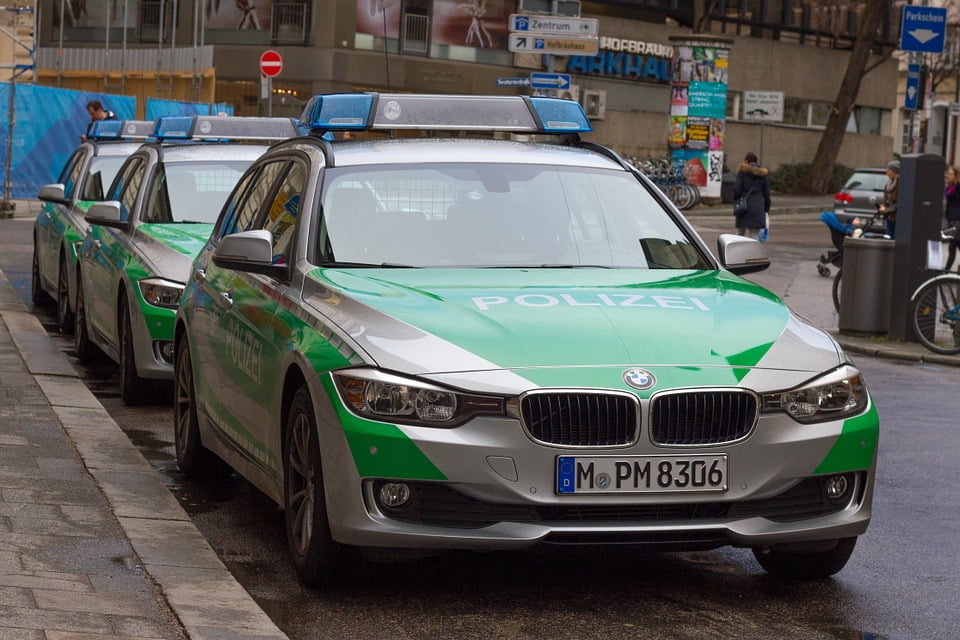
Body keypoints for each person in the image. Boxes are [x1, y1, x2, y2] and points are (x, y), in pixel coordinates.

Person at [732, 151, 771, 239]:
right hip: (757, 208)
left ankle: (739, 252)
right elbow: (767, 195)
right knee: (754, 236)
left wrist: (736, 200)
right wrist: (766, 211)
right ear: (756, 162)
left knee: (739, 236)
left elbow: (736, 190)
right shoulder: (762, 175)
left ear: (746, 161)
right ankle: (752, 252)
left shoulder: (742, 173)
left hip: (743, 209)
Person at [944, 166, 960, 271]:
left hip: (957, 220)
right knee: (955, 244)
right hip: (952, 219)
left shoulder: (957, 188)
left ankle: (946, 271)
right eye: (948, 174)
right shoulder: (950, 188)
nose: (948, 176)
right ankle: (946, 271)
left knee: (953, 245)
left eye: (950, 174)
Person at [879, 160, 899, 239]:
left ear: (895, 171)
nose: (886, 172)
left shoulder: (901, 183)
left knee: (894, 240)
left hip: (897, 218)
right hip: (889, 217)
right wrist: (882, 207)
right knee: (888, 239)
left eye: (889, 170)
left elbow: (901, 203)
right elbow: (887, 200)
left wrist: (887, 209)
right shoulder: (888, 184)